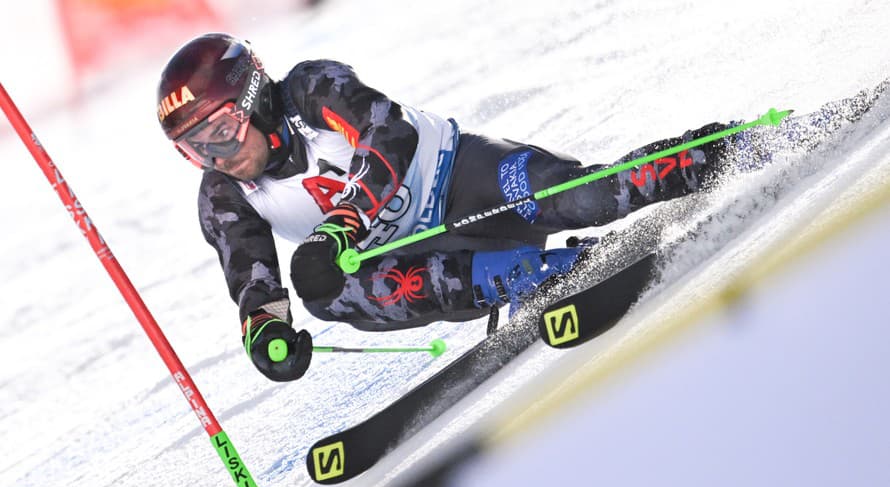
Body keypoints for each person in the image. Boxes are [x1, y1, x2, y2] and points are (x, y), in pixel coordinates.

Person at [156, 33, 884, 382]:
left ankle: (739, 147)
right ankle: (549, 277)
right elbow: (254, 280)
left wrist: (344, 223)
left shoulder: (311, 88)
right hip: (416, 258)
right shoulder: (223, 195)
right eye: (198, 148)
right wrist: (269, 337)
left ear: (252, 98)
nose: (220, 156)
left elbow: (391, 135)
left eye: (220, 130)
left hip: (458, 179)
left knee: (586, 195)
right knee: (327, 295)